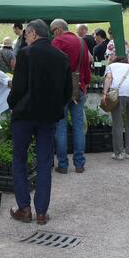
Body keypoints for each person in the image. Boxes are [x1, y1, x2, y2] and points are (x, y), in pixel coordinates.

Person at [7, 20, 72, 225]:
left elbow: (17, 88)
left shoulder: (25, 54)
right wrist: (55, 107)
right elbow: (67, 91)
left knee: (19, 159)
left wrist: (12, 104)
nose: (25, 38)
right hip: (48, 116)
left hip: (24, 115)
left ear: (33, 34)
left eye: (26, 35)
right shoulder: (61, 57)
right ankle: (42, 212)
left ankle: (24, 208)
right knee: (44, 162)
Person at [50, 19, 90, 174]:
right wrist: (85, 84)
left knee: (60, 127)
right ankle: (79, 164)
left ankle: (63, 165)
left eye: (53, 31)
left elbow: (52, 67)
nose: (53, 34)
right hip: (79, 87)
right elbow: (87, 65)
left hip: (61, 89)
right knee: (78, 127)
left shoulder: (58, 41)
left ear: (58, 29)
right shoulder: (81, 42)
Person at [102, 55, 129, 160]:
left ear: (115, 61)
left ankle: (118, 153)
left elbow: (109, 78)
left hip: (119, 93)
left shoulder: (111, 66)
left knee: (117, 123)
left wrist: (104, 93)